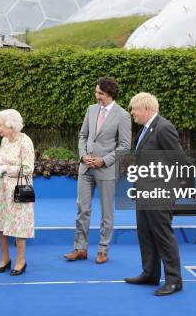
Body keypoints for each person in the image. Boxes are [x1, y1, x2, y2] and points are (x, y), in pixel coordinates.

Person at [64, 77, 131, 265]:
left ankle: (103, 250)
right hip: (85, 168)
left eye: (100, 93)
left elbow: (125, 145)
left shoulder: (123, 115)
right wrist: (83, 155)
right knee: (82, 209)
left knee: (106, 213)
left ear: (110, 94)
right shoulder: (91, 109)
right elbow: (82, 135)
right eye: (96, 92)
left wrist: (104, 160)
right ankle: (80, 249)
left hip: (106, 170)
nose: (97, 96)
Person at [124, 93, 184, 297]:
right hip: (144, 193)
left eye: (134, 108)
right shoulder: (145, 129)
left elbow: (179, 162)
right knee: (146, 234)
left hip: (159, 194)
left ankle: (174, 281)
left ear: (146, 109)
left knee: (163, 236)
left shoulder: (164, 128)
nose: (131, 112)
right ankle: (150, 273)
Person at [0, 109, 35, 276]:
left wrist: (5, 169)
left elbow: (28, 169)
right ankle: (5, 258)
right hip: (2, 187)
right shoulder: (5, 141)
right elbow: (0, 159)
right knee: (1, 223)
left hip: (20, 188)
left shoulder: (25, 141)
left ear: (11, 126)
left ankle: (20, 261)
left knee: (19, 224)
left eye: (1, 124)